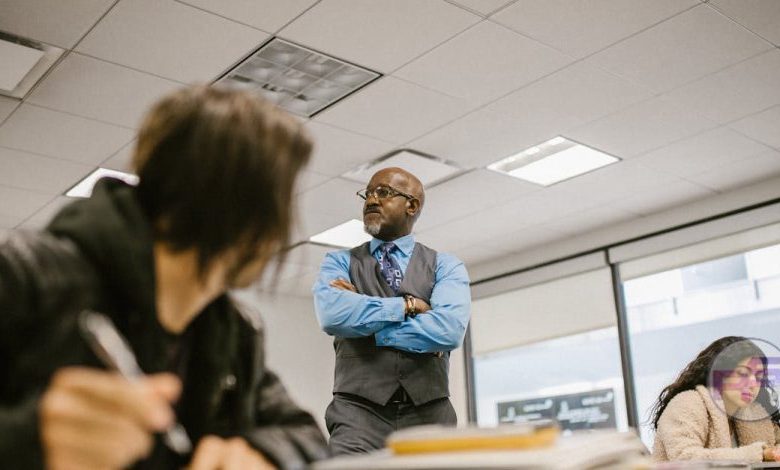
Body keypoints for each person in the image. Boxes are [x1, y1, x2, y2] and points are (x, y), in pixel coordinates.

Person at [0, 86, 329, 469]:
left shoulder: (233, 331)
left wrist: (264, 452)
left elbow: (304, 434)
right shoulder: (24, 275)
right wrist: (26, 442)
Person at [312, 167, 471, 455]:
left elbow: (448, 330)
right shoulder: (338, 262)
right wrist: (409, 306)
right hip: (356, 416)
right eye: (367, 193)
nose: (371, 199)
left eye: (383, 192)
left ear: (412, 205)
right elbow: (333, 315)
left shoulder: (446, 266)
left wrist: (364, 321)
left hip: (430, 416)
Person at [651, 336, 780, 462]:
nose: (753, 384)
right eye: (743, 374)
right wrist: (759, 454)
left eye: (758, 377)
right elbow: (685, 458)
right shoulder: (687, 403)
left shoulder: (757, 415)